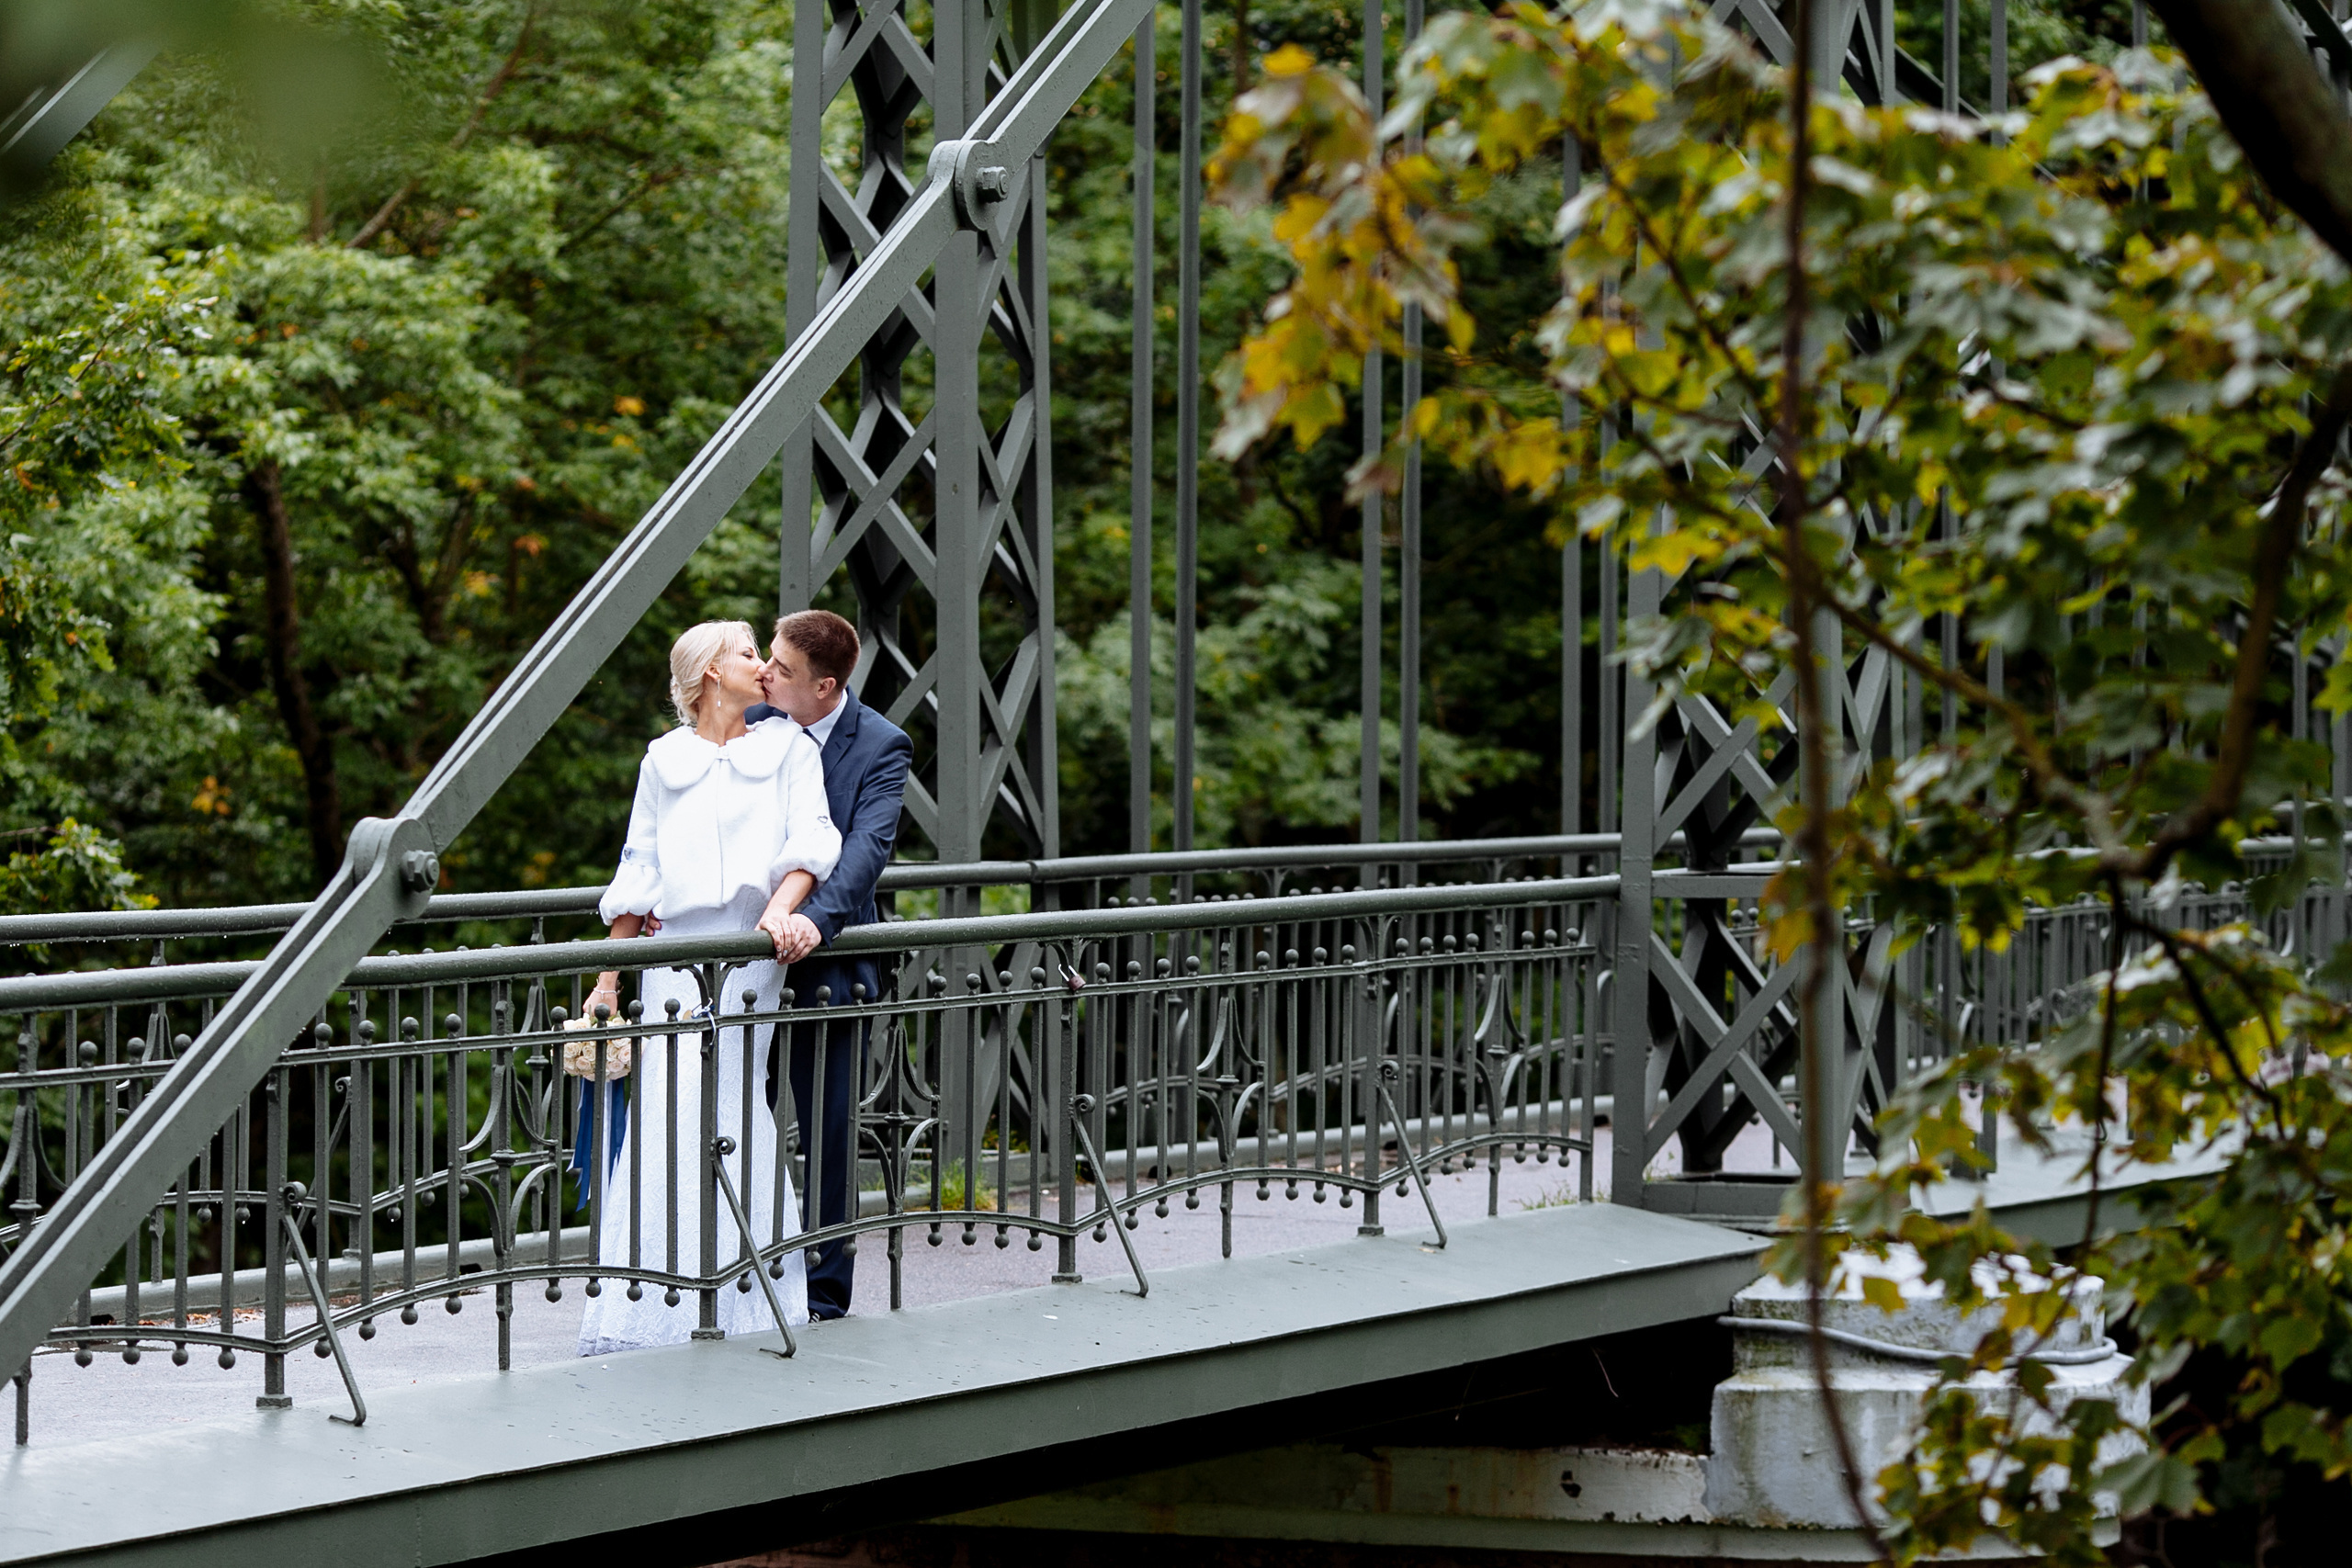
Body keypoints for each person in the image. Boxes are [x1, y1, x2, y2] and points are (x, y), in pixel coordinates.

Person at [575, 620, 841, 1356]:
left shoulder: (789, 746)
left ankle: (745, 1293)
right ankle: (649, 1301)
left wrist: (779, 912)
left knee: (730, 1107)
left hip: (751, 952)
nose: (764, 666)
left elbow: (814, 841)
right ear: (709, 673)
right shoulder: (663, 760)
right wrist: (605, 981)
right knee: (668, 1113)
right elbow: (639, 870)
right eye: (748, 653)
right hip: (673, 957)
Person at [744, 609, 911, 1321]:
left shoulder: (880, 744)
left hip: (828, 967)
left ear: (826, 684)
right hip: (743, 962)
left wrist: (813, 922)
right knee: (735, 1121)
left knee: (829, 1134)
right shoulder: (752, 719)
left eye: (781, 668)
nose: (765, 674)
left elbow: (867, 849)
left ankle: (824, 1298)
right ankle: (739, 1276)